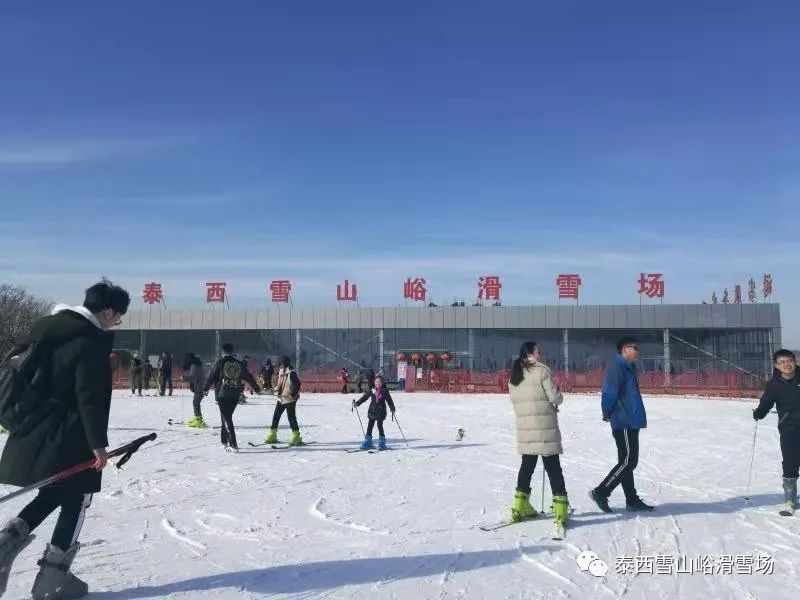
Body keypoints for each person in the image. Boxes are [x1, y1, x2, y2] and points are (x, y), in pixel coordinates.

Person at [0, 279, 130, 600]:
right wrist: (98, 447)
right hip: (70, 436)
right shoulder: (89, 341)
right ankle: (52, 581)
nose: (115, 323)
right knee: (78, 497)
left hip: (32, 431)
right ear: (108, 311)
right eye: (117, 317)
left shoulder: (46, 330)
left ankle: (4, 546)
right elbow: (89, 398)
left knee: (53, 492)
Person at [507, 342, 569, 531]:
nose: (540, 354)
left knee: (527, 466)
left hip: (525, 427)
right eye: (538, 351)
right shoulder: (542, 371)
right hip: (544, 427)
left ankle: (519, 506)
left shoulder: (515, 374)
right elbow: (555, 397)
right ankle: (560, 509)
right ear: (530, 353)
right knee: (553, 467)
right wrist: (558, 394)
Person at [589, 337, 653, 513]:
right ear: (625, 350)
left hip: (631, 418)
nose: (637, 351)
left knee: (627, 462)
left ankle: (631, 499)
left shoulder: (628, 367)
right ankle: (601, 492)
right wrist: (606, 411)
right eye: (635, 348)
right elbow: (609, 391)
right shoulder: (617, 367)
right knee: (628, 461)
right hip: (623, 419)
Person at [753, 349, 800, 514]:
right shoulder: (774, 384)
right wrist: (759, 413)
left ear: (795, 361)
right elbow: (766, 402)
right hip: (789, 428)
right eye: (782, 362)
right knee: (790, 462)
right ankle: (789, 499)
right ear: (776, 366)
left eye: (789, 360)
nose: (786, 364)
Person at [204, 344, 260, 452]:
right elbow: (248, 376)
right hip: (235, 394)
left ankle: (233, 444)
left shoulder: (219, 362)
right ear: (232, 351)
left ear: (223, 352)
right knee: (225, 417)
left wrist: (205, 388)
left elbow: (211, 376)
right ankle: (224, 441)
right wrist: (257, 389)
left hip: (222, 394)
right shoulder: (238, 363)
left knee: (227, 419)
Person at [264, 356, 303, 446]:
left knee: (291, 418)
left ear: (284, 363)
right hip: (281, 398)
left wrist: (292, 395)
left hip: (289, 399)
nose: (278, 365)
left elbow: (297, 384)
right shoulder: (281, 371)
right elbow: (280, 385)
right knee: (276, 417)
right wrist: (272, 389)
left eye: (280, 363)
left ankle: (296, 435)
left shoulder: (292, 373)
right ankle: (272, 435)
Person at [353, 375, 396, 450]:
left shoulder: (384, 391)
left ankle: (381, 442)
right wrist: (358, 403)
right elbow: (365, 397)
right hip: (372, 411)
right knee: (370, 426)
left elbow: (389, 400)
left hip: (381, 411)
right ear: (374, 382)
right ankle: (368, 441)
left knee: (380, 426)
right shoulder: (372, 390)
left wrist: (392, 408)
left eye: (379, 382)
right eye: (376, 382)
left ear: (382, 383)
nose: (378, 383)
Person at [185, 354, 207, 428]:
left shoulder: (194, 366)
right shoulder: (199, 364)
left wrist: (184, 378)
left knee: (196, 403)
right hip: (200, 386)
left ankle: (198, 420)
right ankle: (197, 418)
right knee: (196, 402)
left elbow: (192, 377)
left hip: (199, 386)